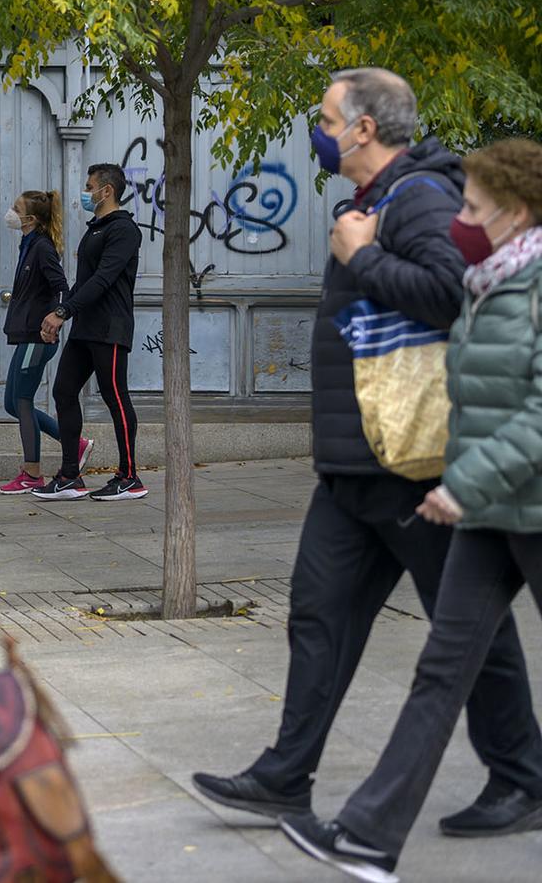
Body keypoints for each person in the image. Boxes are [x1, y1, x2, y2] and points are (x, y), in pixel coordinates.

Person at [193, 69, 542, 838]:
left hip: (410, 464)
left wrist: (361, 259)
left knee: (468, 635)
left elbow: (456, 292)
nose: (316, 128)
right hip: (356, 464)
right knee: (318, 614)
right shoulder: (372, 201)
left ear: (363, 129)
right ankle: (286, 775)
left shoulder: (418, 198)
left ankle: (522, 775)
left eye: (325, 117)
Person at [282, 137, 542, 880]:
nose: (458, 218)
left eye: (472, 206)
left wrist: (467, 478)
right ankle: (368, 835)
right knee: (439, 671)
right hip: (490, 512)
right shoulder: (492, 282)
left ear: (515, 212)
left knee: (450, 665)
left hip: (525, 505)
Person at [32, 162, 145, 501]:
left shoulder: (124, 230)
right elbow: (83, 282)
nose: (86, 191)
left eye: (90, 186)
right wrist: (60, 313)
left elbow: (103, 279)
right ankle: (70, 476)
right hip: (85, 327)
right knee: (64, 391)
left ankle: (129, 476)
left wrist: (63, 311)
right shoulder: (95, 228)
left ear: (106, 191)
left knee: (116, 398)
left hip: (110, 328)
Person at [0, 189, 86, 494]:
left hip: (37, 338)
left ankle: (32, 473)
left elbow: (62, 288)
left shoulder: (42, 248)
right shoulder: (29, 245)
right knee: (11, 402)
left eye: (15, 208)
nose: (10, 212)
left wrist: (57, 317)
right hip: (25, 335)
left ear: (30, 219)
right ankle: (74, 442)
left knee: (22, 401)